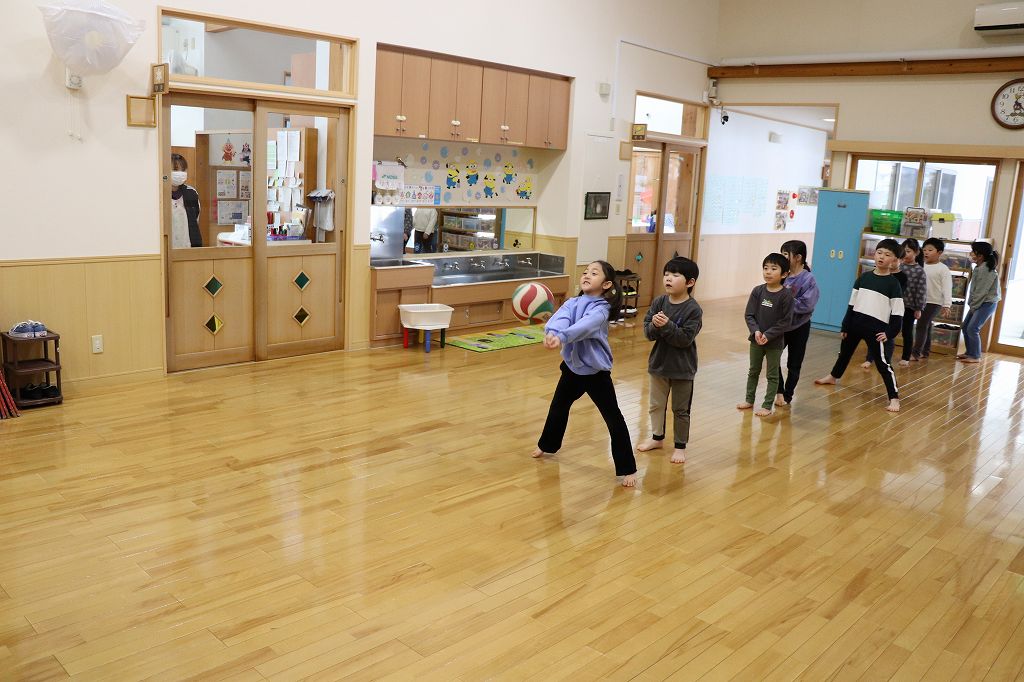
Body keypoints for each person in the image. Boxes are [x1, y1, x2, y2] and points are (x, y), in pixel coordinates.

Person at [533, 261, 638, 487]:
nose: (587, 275)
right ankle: (547, 445)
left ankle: (627, 468)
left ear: (606, 284)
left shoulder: (601, 309)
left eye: (594, 273)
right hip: (572, 369)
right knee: (558, 407)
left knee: (613, 417)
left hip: (595, 373)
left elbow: (585, 327)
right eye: (585, 272)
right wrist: (552, 333)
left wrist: (562, 337)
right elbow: (560, 318)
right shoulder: (573, 302)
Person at [815, 238, 904, 413]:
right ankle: (833, 376)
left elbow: (898, 313)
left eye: (887, 255)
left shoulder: (894, 284)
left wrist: (889, 333)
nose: (881, 257)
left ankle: (894, 398)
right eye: (879, 253)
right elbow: (852, 304)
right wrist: (845, 325)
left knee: (883, 364)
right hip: (855, 324)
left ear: (894, 260)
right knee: (844, 354)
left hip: (877, 330)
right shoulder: (864, 278)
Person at [636, 257, 702, 464]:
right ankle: (657, 438)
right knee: (656, 405)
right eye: (666, 274)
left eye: (675, 275)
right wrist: (655, 326)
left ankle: (680, 446)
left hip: (683, 368)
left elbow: (684, 339)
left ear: (690, 282)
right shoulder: (659, 302)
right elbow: (648, 333)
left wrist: (666, 325)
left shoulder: (693, 309)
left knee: (680, 410)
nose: (668, 278)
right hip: (658, 364)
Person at [737, 253, 794, 417]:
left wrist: (768, 335)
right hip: (756, 340)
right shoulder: (758, 291)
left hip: (774, 343)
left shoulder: (786, 295)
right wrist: (755, 331)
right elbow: (749, 315)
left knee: (772, 374)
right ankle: (749, 400)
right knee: (753, 370)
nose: (768, 272)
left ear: (784, 274)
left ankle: (767, 405)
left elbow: (786, 321)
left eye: (773, 269)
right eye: (765, 268)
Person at [775, 240, 819, 406]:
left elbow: (807, 305)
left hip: (800, 327)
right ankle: (779, 391)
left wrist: (785, 302)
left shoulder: (808, 279)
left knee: (794, 363)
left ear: (798, 257)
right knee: (773, 358)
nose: (783, 257)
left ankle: (788, 395)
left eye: (786, 254)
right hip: (781, 325)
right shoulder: (782, 274)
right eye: (782, 253)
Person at [958, 241, 1001, 363]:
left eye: (973, 252)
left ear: (980, 256)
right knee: (965, 327)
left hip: (987, 303)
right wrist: (973, 304)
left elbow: (982, 291)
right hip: (979, 302)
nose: (970, 254)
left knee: (973, 328)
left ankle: (975, 356)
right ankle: (970, 352)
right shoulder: (979, 267)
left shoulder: (986, 269)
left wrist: (973, 306)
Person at [910, 237, 952, 361]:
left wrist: (947, 304)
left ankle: (915, 353)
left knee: (921, 325)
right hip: (920, 301)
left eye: (930, 250)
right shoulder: (920, 265)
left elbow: (947, 287)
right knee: (926, 326)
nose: (926, 252)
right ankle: (925, 352)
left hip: (934, 302)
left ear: (939, 252)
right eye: (924, 250)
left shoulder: (943, 269)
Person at [170, 153, 202, 248]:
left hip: (188, 246)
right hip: (167, 248)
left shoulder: (191, 193)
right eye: (175, 169)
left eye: (183, 170)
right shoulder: (159, 194)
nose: (180, 173)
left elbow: (196, 220)